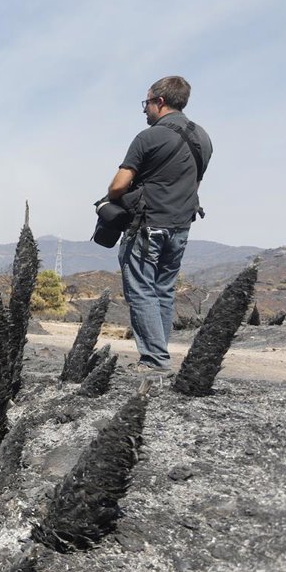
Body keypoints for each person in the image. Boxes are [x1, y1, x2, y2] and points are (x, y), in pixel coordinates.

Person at [106, 75, 212, 374]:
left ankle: (154, 360)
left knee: (141, 291)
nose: (145, 109)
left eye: (147, 103)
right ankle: (159, 355)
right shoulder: (203, 138)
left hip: (147, 224)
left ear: (160, 101)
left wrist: (113, 199)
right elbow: (194, 183)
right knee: (163, 291)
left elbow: (118, 185)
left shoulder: (148, 137)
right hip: (181, 226)